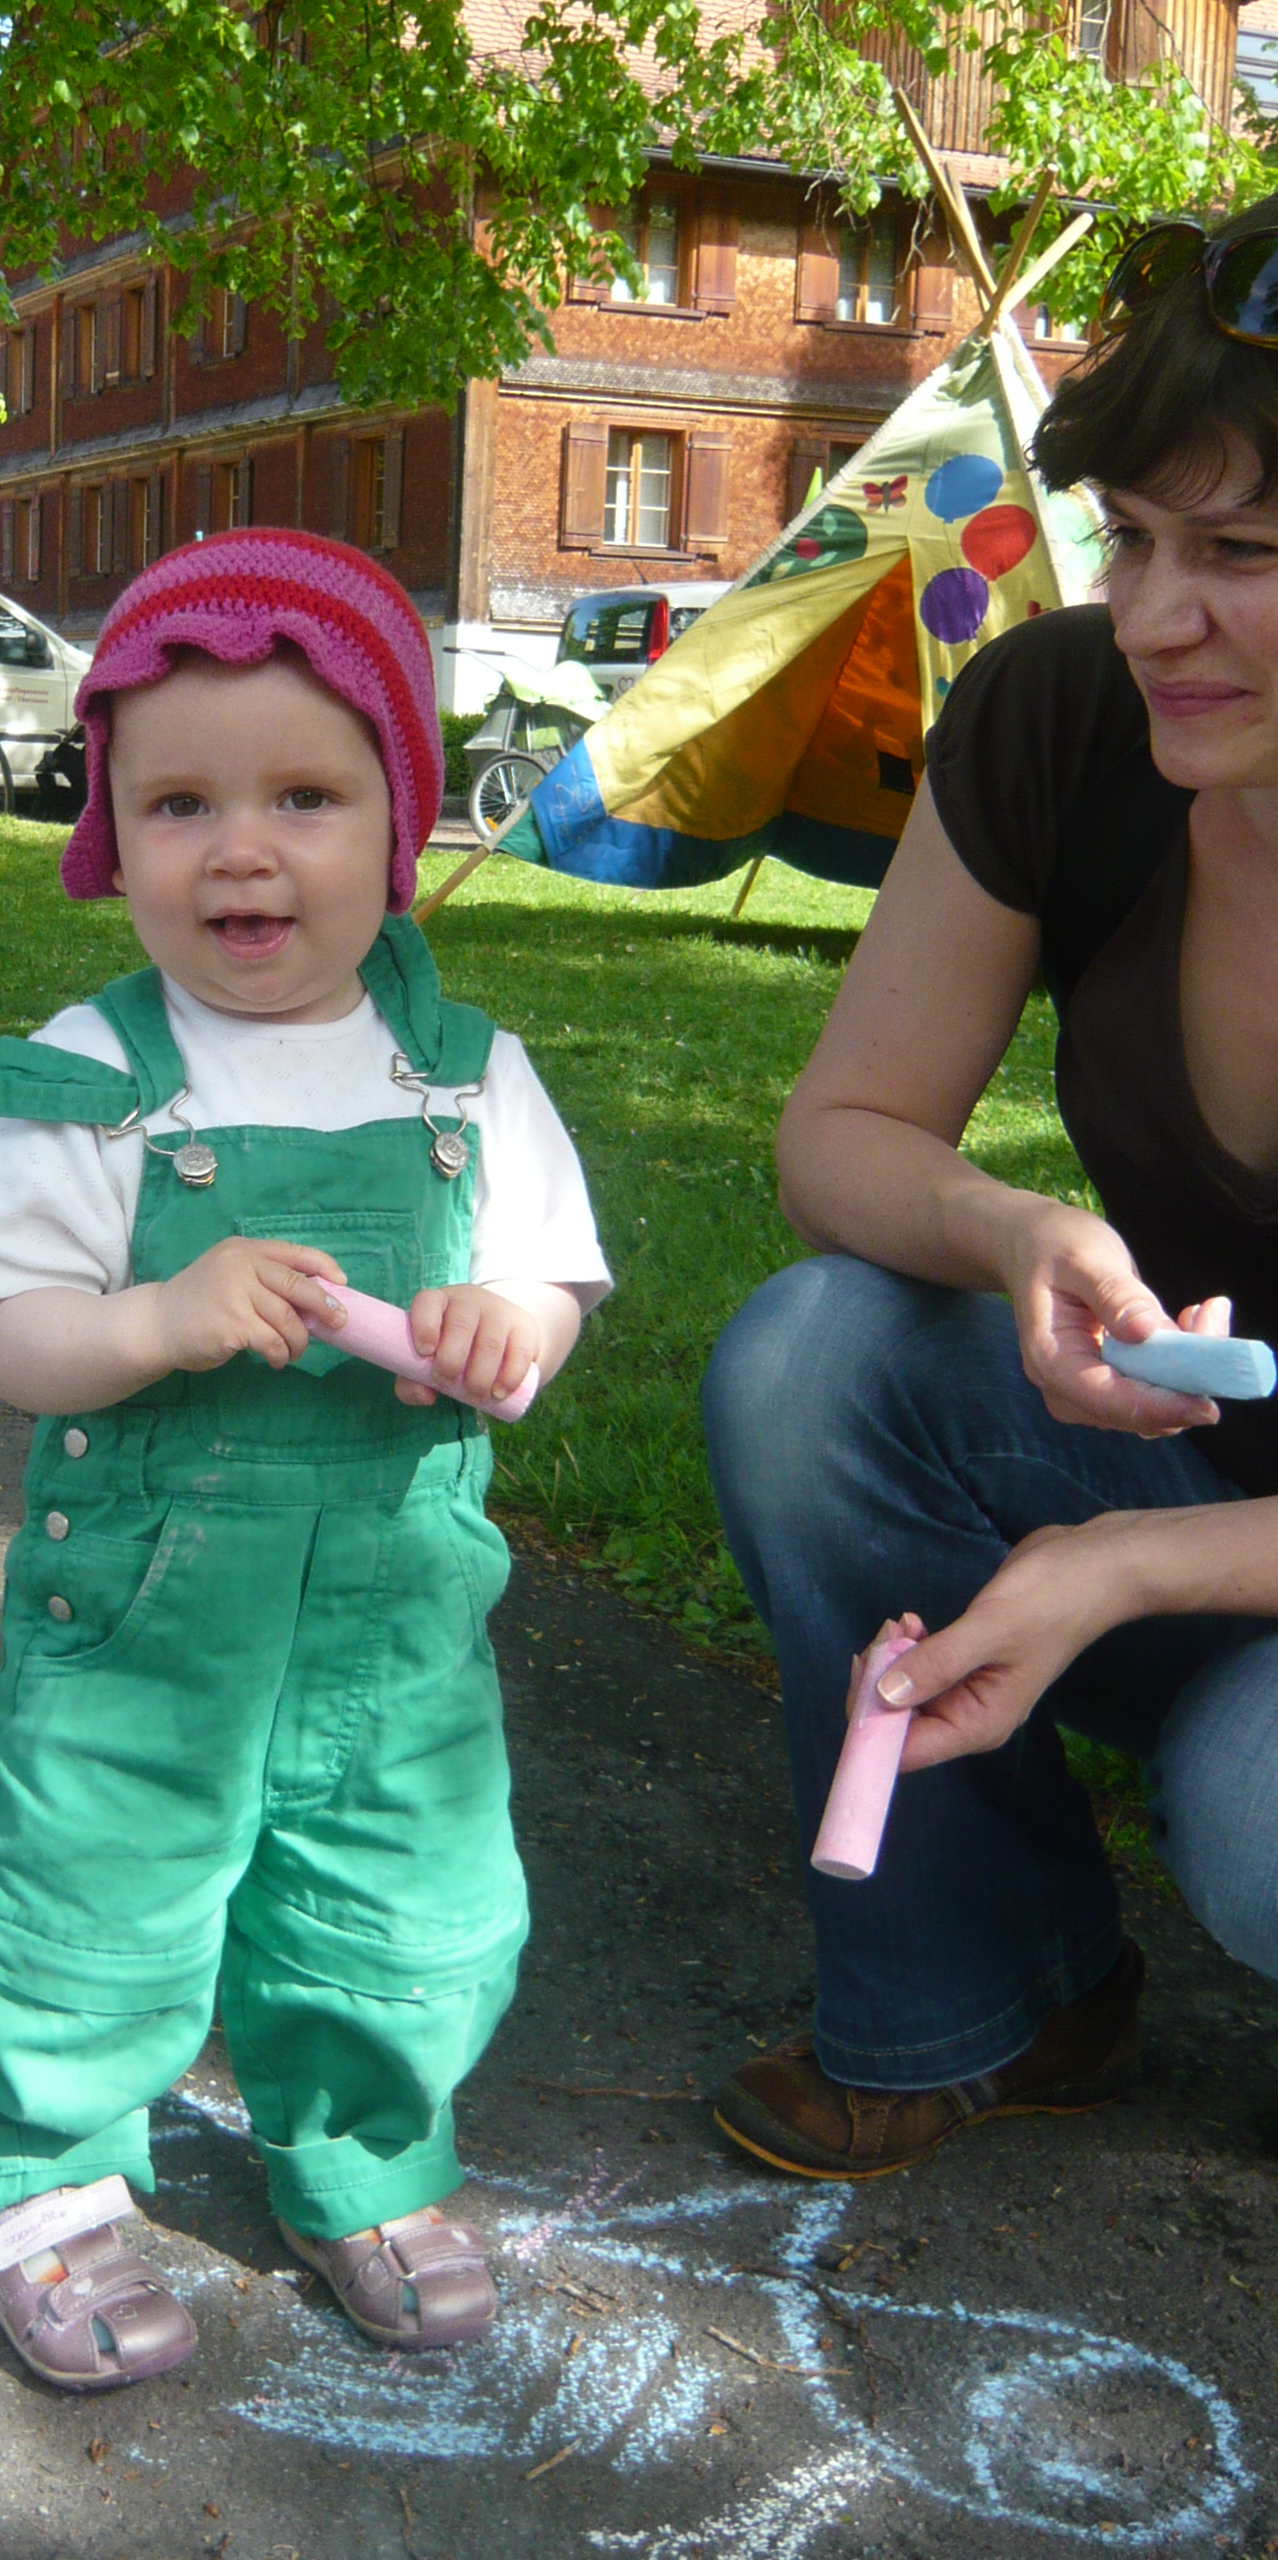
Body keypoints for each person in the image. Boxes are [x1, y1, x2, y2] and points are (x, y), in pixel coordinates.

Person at [0, 529, 610, 2387]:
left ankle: (363, 2152)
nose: (241, 851)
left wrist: (511, 1324)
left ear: (400, 819)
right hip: (151, 1610)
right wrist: (152, 1319)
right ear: (112, 833)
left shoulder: (463, 1078)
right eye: (179, 805)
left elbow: (550, 1276)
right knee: (101, 1874)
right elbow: (11, 1338)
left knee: (403, 1883)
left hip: (394, 1610)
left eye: (305, 797)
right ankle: (45, 2169)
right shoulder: (97, 1075)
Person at [700, 198, 1278, 2180]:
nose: (1155, 617)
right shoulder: (1061, 712)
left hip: (1207, 1569)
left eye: (1241, 556)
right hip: (1190, 1491)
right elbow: (844, 1129)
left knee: (1266, 1820)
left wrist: (1124, 1570)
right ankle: (992, 1986)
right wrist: (1015, 1229)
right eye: (1134, 537)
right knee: (815, 1359)